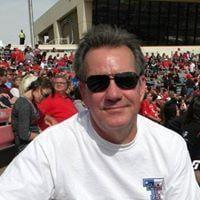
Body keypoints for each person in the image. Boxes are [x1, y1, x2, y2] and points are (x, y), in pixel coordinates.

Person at [0, 25, 199, 199]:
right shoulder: (51, 148)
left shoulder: (171, 147)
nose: (113, 93)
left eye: (126, 80)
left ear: (142, 87)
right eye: (98, 83)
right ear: (84, 93)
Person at [11, 75, 54, 153]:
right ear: (37, 88)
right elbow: (24, 135)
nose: (44, 99)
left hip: (33, 143)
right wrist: (44, 137)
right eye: (45, 95)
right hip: (25, 147)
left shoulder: (31, 102)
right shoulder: (23, 104)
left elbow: (35, 126)